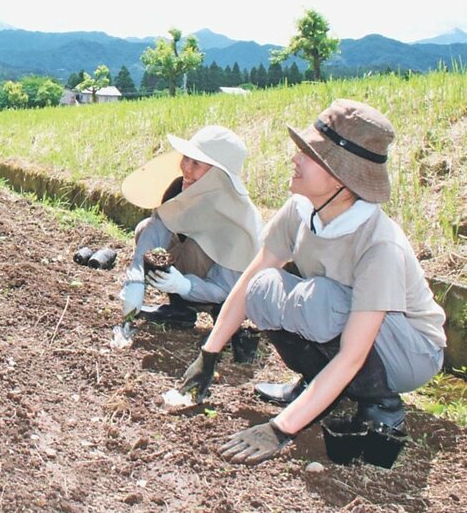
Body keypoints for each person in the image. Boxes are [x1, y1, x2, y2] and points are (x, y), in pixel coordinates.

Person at [177, 99, 446, 465]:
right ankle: (315, 383)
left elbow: (353, 353)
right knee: (264, 287)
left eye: (308, 153)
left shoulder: (378, 243)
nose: (295, 158)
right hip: (348, 321)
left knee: (321, 300)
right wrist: (209, 353)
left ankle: (380, 402)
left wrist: (280, 429)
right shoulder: (302, 210)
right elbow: (250, 282)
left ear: (340, 177)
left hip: (408, 351)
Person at [116, 126, 263, 335]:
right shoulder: (182, 190)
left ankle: (222, 319)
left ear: (218, 175)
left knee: (194, 247)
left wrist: (184, 286)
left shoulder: (237, 221)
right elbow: (157, 228)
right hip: (191, 279)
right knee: (145, 230)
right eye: (186, 158)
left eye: (196, 163)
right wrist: (136, 277)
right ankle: (180, 309)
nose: (186, 167)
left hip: (222, 292)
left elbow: (229, 287)